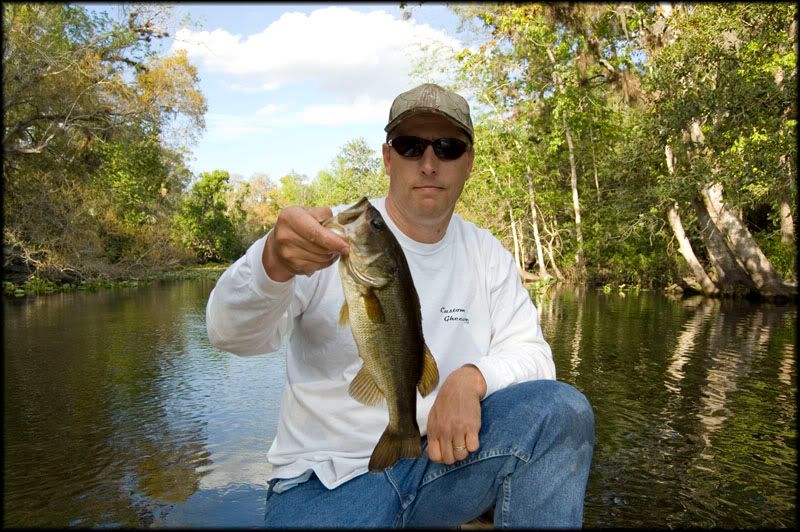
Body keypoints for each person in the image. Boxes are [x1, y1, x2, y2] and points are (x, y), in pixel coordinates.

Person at [206, 83, 595, 528]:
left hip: (440, 461)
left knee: (561, 411)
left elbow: (534, 355)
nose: (428, 164)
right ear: (388, 158)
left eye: (448, 148)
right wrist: (271, 262)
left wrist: (474, 378)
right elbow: (228, 335)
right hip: (323, 481)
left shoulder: (486, 253)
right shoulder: (321, 236)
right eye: (411, 146)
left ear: (467, 164)